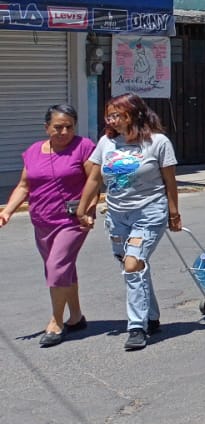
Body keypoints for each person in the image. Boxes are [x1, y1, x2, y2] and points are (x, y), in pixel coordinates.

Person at [77, 94, 181, 352]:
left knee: (133, 265)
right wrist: (82, 208)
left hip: (149, 213)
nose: (111, 120)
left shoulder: (158, 143)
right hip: (116, 216)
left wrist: (174, 214)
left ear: (135, 114)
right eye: (109, 115)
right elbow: (93, 179)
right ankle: (152, 316)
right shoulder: (107, 142)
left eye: (117, 114)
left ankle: (137, 327)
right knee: (131, 265)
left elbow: (170, 181)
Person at [0, 104, 96, 347]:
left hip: (72, 220)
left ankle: (56, 322)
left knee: (56, 266)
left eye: (69, 127)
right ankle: (76, 317)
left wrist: (88, 211)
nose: (64, 132)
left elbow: (94, 182)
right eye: (58, 127)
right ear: (46, 128)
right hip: (42, 221)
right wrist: (7, 211)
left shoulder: (83, 147)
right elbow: (24, 185)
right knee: (63, 269)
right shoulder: (33, 151)